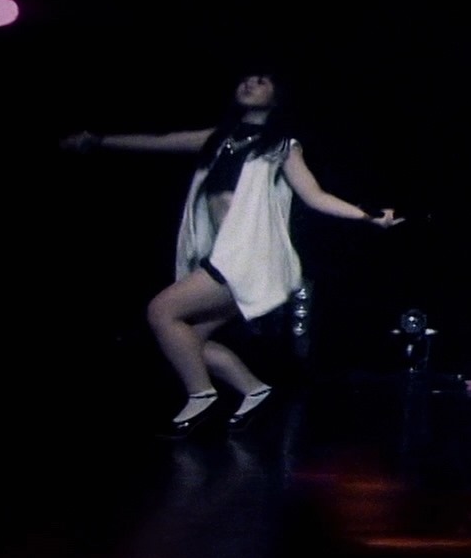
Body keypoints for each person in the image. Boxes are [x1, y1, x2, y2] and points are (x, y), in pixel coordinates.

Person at [63, 71, 401, 435]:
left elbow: (314, 195)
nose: (250, 83)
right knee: (188, 338)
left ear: (277, 97)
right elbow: (161, 141)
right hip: (224, 256)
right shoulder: (218, 139)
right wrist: (97, 141)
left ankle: (201, 395)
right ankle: (254, 390)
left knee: (160, 311)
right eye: (247, 79)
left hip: (247, 258)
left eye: (262, 80)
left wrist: (368, 216)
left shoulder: (281, 146)